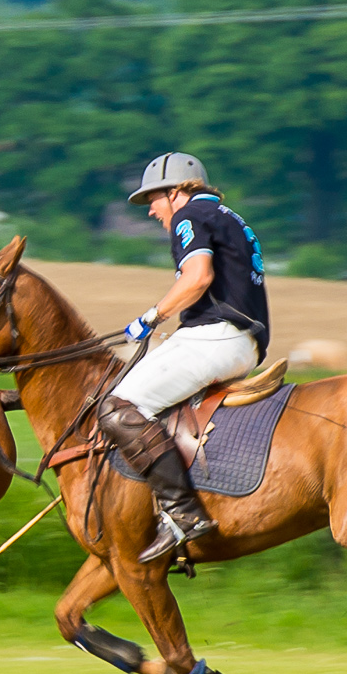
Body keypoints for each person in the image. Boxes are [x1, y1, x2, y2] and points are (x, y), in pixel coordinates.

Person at [102, 152, 271, 565]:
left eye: (154, 200)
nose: (152, 211)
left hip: (217, 336)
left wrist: (150, 317)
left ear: (176, 191)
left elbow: (198, 278)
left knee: (117, 407)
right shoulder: (229, 217)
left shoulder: (188, 217)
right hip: (237, 338)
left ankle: (183, 513)